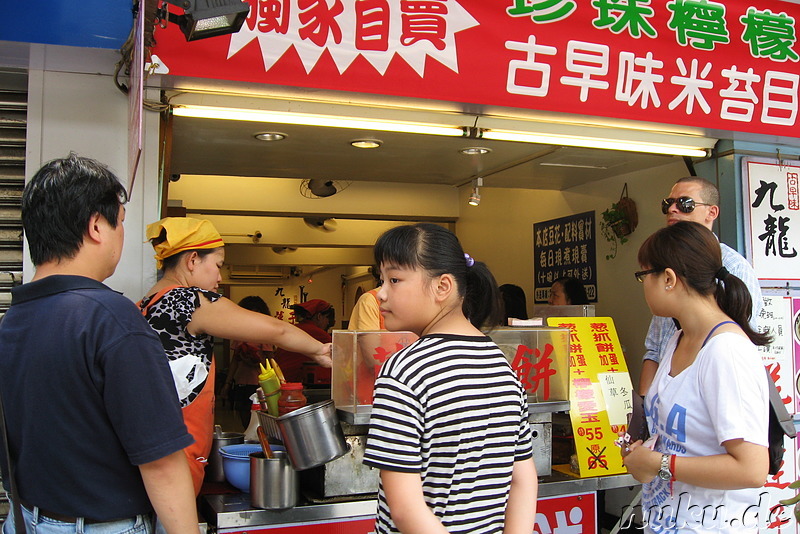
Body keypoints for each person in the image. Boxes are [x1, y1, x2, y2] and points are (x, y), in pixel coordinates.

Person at [0, 154, 198, 534]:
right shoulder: (112, 318)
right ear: (96, 226)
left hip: (24, 519)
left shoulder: (14, 319)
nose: (122, 234)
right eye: (120, 222)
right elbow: (161, 462)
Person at [363, 223, 537, 534]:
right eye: (381, 280)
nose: (380, 293)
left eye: (394, 279)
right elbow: (523, 481)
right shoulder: (502, 365)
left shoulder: (404, 370)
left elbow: (405, 511)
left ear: (443, 286)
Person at [139, 217, 332, 494]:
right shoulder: (187, 300)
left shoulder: (145, 304)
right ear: (193, 260)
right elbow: (275, 330)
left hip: (151, 445)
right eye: (217, 266)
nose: (219, 278)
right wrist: (320, 350)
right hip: (175, 453)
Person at [622, 221, 770, 533]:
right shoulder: (677, 339)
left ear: (668, 279)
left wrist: (660, 465)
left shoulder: (726, 351)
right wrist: (644, 456)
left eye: (642, 275)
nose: (642, 285)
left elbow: (752, 468)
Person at [638, 176, 763, 394]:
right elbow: (654, 349)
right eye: (667, 204)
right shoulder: (677, 338)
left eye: (685, 203)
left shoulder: (733, 267)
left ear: (711, 213)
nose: (673, 210)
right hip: (666, 407)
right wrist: (645, 412)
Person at [221, 296, 274, 427]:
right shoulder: (240, 333)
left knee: (259, 419)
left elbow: (270, 361)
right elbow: (234, 361)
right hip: (240, 382)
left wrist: (253, 361)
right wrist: (227, 384)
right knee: (243, 416)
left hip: (259, 383)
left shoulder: (265, 334)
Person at [273, 299, 336, 383]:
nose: (328, 322)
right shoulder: (319, 333)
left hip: (278, 380)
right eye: (327, 318)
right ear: (319, 316)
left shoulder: (293, 329)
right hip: (295, 382)